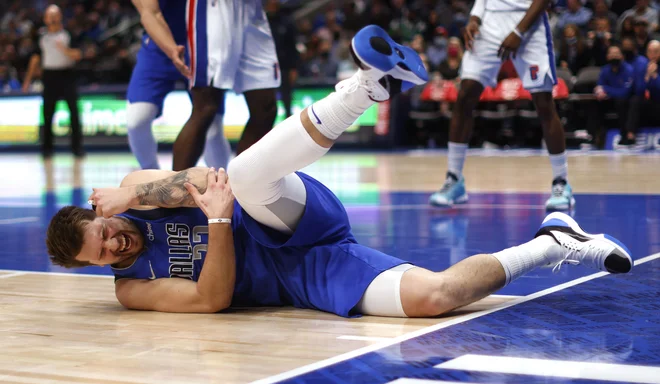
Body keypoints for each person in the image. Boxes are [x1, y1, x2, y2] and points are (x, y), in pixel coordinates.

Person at [45, 26, 633, 317]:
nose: (113, 244)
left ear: (98, 213)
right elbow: (211, 298)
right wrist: (218, 227)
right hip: (301, 272)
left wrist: (146, 196)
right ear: (92, 268)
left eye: (102, 233)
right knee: (437, 295)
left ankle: (362, 88)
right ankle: (556, 240)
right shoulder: (132, 289)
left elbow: (208, 181)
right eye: (100, 255)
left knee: (245, 176)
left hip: (282, 211)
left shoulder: (130, 194)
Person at [428, 0, 575, 211]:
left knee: (543, 102)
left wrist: (518, 31)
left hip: (528, 22)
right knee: (465, 94)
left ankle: (561, 182)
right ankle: (454, 179)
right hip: (490, 23)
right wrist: (475, 18)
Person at [169, 0, 280, 170]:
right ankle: (174, 192)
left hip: (251, 9)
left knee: (265, 108)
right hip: (213, 8)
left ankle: (238, 188)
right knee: (205, 106)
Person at [129, 0, 230, 170]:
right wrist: (172, 50)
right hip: (158, 47)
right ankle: (151, 176)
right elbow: (150, 14)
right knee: (136, 120)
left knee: (212, 127)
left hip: (204, 43)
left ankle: (222, 183)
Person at [23, 5, 83, 159]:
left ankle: (77, 149)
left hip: (67, 75)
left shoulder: (68, 34)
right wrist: (27, 81)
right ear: (45, 18)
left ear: (60, 16)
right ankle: (47, 149)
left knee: (74, 113)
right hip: (49, 76)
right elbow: (35, 58)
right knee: (48, 114)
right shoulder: (41, 36)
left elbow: (78, 54)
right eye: (50, 15)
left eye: (55, 15)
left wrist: (65, 50)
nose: (53, 18)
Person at [588, 45, 634, 148]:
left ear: (622, 56)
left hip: (625, 101)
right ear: (607, 57)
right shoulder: (605, 70)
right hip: (609, 100)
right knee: (595, 102)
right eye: (611, 54)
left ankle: (624, 135)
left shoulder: (628, 70)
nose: (614, 56)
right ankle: (595, 136)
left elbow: (625, 92)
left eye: (616, 54)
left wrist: (607, 89)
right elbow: (599, 87)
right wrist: (599, 92)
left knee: (621, 102)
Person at [620, 35, 649, 145]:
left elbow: (640, 87)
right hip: (625, 93)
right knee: (620, 101)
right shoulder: (621, 63)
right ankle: (622, 133)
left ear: (634, 48)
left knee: (635, 100)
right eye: (624, 46)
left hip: (640, 95)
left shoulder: (641, 62)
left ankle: (631, 133)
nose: (626, 48)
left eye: (629, 46)